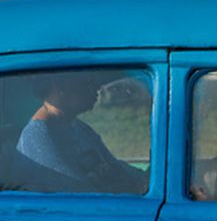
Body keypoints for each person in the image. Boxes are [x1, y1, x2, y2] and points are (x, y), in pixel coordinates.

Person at [15, 71, 147, 194]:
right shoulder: (37, 137)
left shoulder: (78, 127)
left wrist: (145, 179)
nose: (97, 88)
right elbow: (78, 196)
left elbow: (114, 166)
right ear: (60, 84)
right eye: (87, 82)